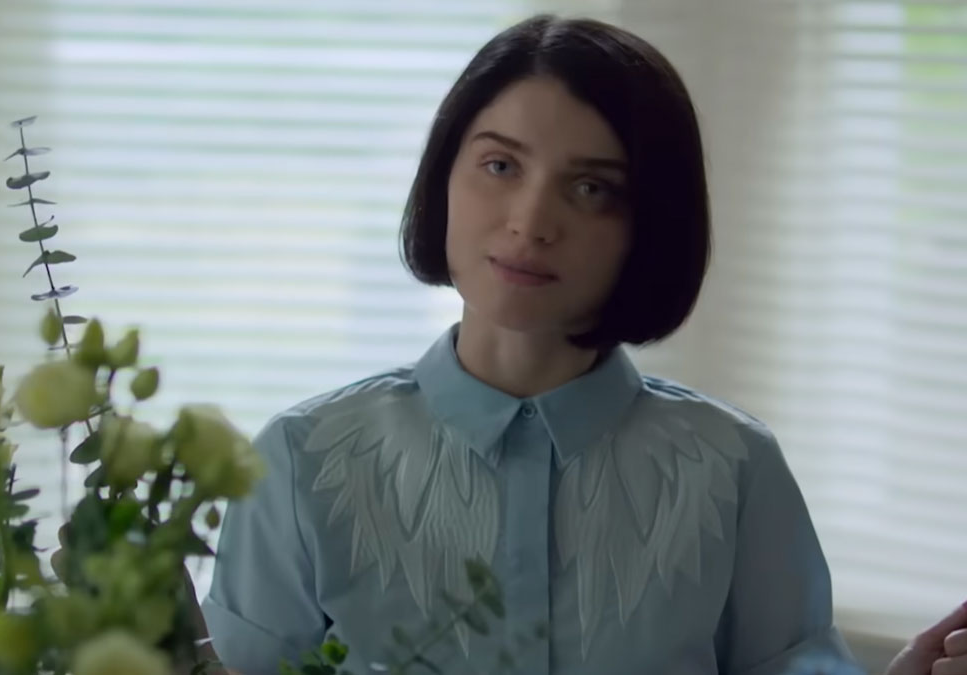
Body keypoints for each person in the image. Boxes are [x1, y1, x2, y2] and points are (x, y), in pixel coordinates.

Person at [192, 14, 967, 675]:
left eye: (591, 188)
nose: (531, 220)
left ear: (649, 225)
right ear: (443, 177)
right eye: (500, 165)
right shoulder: (302, 459)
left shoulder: (733, 469)